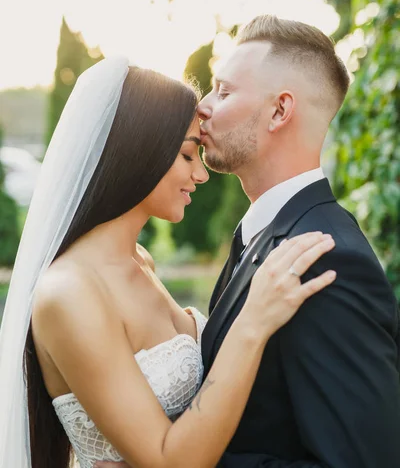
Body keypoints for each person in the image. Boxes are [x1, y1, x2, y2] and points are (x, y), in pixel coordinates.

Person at [0, 57, 336, 468]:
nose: (202, 174)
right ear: (141, 152)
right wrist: (253, 322)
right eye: (186, 155)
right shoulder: (70, 292)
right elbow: (167, 460)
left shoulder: (141, 261)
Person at [195, 15, 400, 468]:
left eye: (224, 91)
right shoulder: (262, 231)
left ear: (280, 111)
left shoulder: (330, 262)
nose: (203, 106)